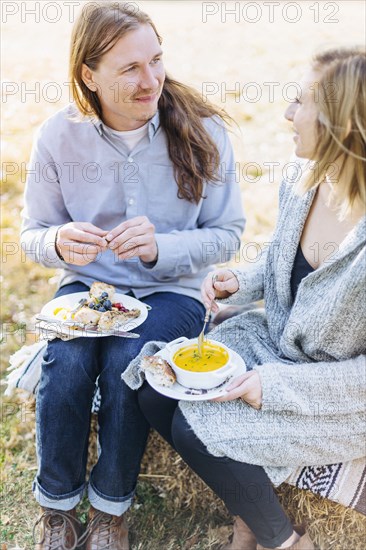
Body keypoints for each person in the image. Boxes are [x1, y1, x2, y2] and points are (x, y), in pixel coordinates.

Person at [21, 2, 245, 548]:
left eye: (156, 60)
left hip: (173, 289)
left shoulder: (205, 130)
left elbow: (229, 234)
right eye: (129, 69)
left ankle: (109, 511)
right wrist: (55, 241)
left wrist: (160, 247)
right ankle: (57, 508)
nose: (151, 81)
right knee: (67, 357)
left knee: (130, 358)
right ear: (88, 76)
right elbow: (32, 232)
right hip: (88, 287)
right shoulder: (57, 136)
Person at [135, 47, 366, 550]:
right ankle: (253, 516)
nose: (286, 115)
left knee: (199, 430)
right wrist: (240, 281)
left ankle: (283, 542)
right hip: (274, 343)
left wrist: (275, 388)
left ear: (342, 124)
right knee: (155, 386)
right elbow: (285, 263)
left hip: (334, 391)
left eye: (299, 103)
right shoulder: (302, 180)